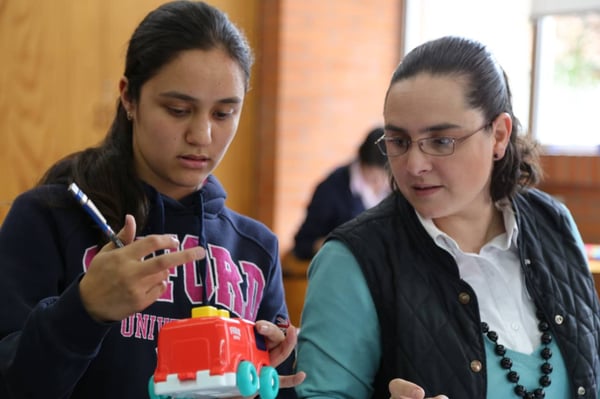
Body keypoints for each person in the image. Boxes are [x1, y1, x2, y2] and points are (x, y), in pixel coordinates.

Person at [0, 2, 305, 398]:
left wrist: (274, 368)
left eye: (224, 113)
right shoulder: (50, 218)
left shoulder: (255, 249)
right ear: (129, 98)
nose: (202, 135)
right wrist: (84, 309)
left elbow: (275, 387)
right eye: (178, 110)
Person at [295, 35, 600, 399]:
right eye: (399, 141)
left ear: (499, 135)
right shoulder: (354, 259)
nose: (414, 165)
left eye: (441, 141)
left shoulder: (554, 224)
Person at [292, 127, 389, 260]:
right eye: (374, 177)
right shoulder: (331, 189)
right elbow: (303, 244)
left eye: (387, 176)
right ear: (362, 162)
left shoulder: (398, 186)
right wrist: (339, 245)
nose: (381, 183)